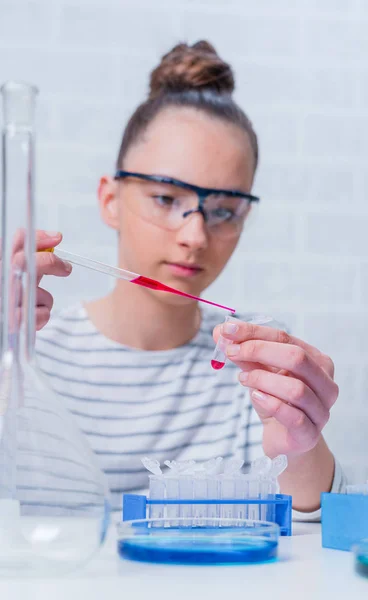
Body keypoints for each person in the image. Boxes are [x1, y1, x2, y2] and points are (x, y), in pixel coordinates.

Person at [34, 41, 344, 517]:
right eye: (165, 199)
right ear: (110, 199)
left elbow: (318, 543)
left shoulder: (251, 375)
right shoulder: (27, 356)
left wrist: (299, 445)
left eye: (223, 210)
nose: (196, 235)